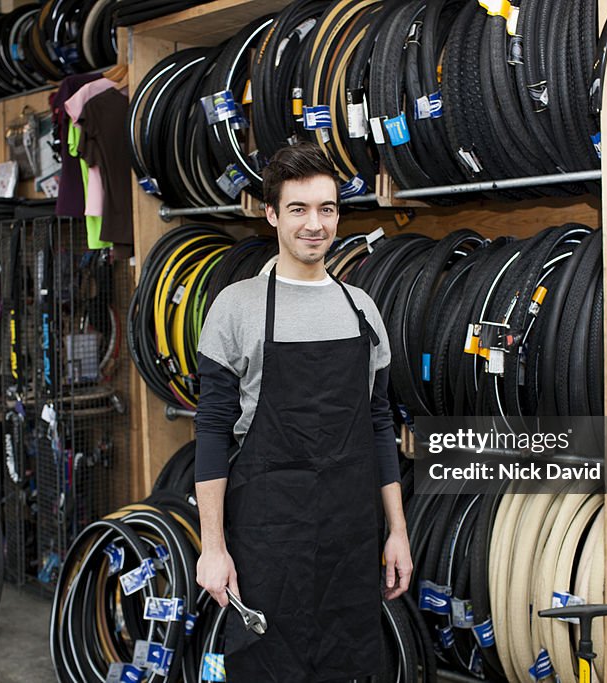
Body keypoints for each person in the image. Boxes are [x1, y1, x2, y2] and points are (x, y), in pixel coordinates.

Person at [194, 142, 413, 682]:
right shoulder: (237, 307)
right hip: (267, 541)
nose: (315, 225)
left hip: (349, 539)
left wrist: (398, 531)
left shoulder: (361, 310)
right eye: (298, 209)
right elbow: (212, 433)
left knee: (350, 664)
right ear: (271, 214)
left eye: (327, 209)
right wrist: (212, 548)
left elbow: (379, 425)